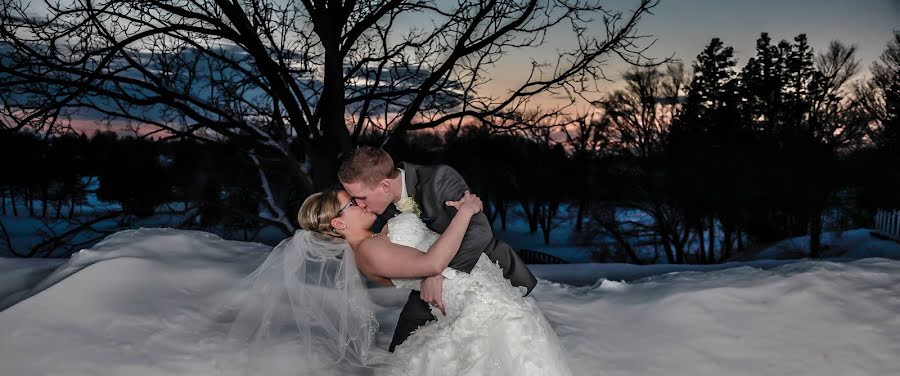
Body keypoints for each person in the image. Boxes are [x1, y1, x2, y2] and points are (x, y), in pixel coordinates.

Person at [297, 189, 571, 375]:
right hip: (477, 304)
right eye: (352, 204)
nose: (361, 202)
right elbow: (432, 264)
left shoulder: (375, 241)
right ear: (338, 224)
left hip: (485, 293)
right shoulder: (368, 252)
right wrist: (466, 212)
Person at [338, 146, 537, 351]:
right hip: (429, 284)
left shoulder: (439, 178)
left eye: (361, 197)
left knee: (489, 348)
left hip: (483, 274)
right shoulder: (381, 205)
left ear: (385, 186)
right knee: (401, 352)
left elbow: (479, 231)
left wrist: (439, 273)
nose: (360, 205)